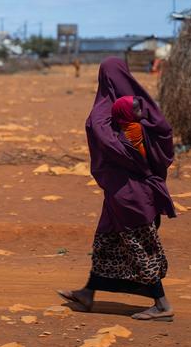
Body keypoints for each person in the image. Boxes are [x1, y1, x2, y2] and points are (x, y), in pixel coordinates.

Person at [58, 57, 177, 322]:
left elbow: (110, 146)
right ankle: (88, 293)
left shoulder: (106, 114)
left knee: (139, 245)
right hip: (133, 191)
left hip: (129, 194)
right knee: (107, 241)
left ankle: (162, 305)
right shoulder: (141, 109)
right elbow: (164, 136)